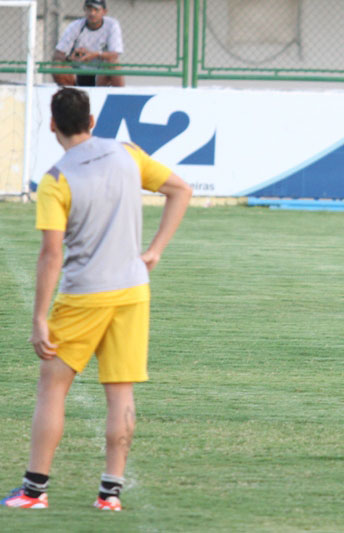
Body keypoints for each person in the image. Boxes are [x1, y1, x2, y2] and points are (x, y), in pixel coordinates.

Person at [1, 88, 192, 510]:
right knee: (120, 392)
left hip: (84, 294)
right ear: (92, 121)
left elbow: (52, 254)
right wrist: (155, 249)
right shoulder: (127, 153)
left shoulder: (56, 179)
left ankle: (34, 490)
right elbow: (181, 189)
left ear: (53, 126)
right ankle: (110, 494)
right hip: (133, 291)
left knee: (52, 387)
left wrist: (38, 318)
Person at [53, 0, 124, 87]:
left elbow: (115, 55)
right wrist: (70, 57)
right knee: (57, 65)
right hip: (78, 70)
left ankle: (118, 96)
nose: (92, 13)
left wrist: (94, 55)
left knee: (114, 64)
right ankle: (69, 94)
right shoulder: (75, 26)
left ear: (104, 12)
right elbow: (57, 54)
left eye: (96, 10)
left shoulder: (112, 25)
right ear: (84, 10)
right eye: (89, 9)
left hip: (101, 73)